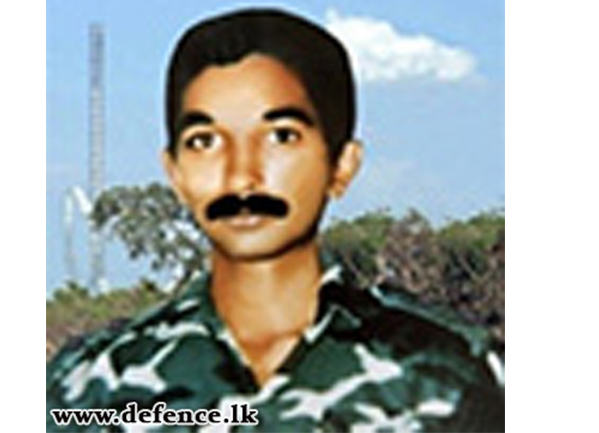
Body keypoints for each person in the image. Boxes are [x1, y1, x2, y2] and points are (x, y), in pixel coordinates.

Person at [47, 8, 504, 432]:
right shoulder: (90, 388)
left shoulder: (458, 377)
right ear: (176, 174)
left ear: (341, 165)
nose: (241, 176)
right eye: (205, 141)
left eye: (280, 137)